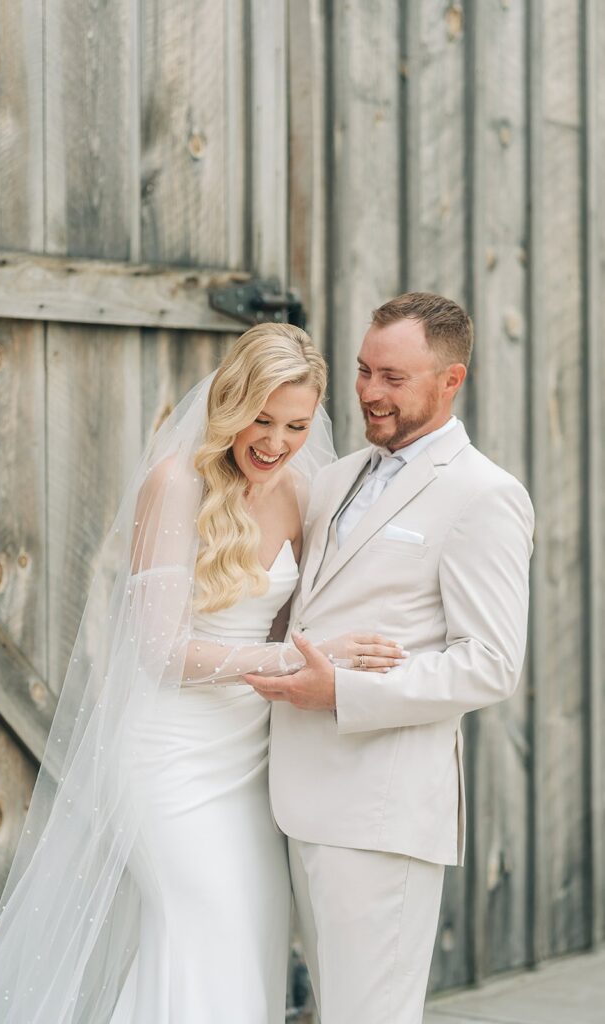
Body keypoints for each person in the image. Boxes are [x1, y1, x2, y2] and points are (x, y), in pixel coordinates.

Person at [0, 322, 403, 1024]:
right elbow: (161, 651)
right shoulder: (176, 484)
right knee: (201, 929)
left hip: (252, 762)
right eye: (260, 420)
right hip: (169, 757)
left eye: (296, 425)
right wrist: (292, 659)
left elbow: (301, 615)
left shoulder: (302, 489)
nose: (275, 442)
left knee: (252, 935)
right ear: (230, 404)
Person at [247, 293, 535, 1024]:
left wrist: (340, 692)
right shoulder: (338, 476)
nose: (370, 392)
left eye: (393, 378)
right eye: (363, 370)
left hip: (380, 811)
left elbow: (489, 663)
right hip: (296, 796)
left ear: (451, 380)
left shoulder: (483, 496)